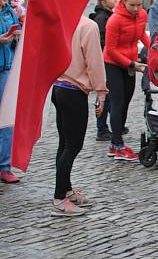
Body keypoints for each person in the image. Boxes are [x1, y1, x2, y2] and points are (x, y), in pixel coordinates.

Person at [50, 15, 107, 216]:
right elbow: (94, 62)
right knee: (73, 146)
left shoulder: (61, 22)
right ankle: (59, 199)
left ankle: (65, 190)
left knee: (64, 143)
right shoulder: (88, 26)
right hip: (74, 90)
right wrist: (101, 91)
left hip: (59, 87)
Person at [103, 0, 149, 161]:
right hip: (113, 63)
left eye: (139, 5)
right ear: (124, 1)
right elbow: (111, 49)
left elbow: (141, 35)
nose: (136, 9)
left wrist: (153, 49)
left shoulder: (142, 15)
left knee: (126, 102)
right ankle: (117, 144)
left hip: (130, 61)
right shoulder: (115, 20)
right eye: (132, 5)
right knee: (117, 102)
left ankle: (116, 142)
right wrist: (131, 64)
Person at [0, 0, 21, 184]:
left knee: (6, 121)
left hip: (7, 69)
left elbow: (17, 29)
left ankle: (4, 166)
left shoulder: (9, 12)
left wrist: (16, 36)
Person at [90, 0, 116, 141]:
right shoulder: (101, 18)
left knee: (109, 96)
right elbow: (100, 42)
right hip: (104, 61)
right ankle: (101, 128)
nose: (115, 0)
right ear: (104, 1)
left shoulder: (108, 16)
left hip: (107, 60)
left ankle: (105, 126)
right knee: (103, 95)